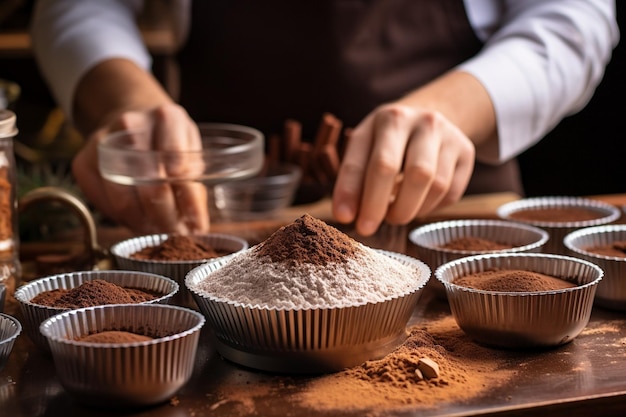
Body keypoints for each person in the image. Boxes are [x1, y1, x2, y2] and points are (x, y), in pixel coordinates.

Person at [30, 0, 619, 236]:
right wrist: (123, 101)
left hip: (445, 220)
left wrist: (450, 110)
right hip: (210, 221)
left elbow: (573, 20)